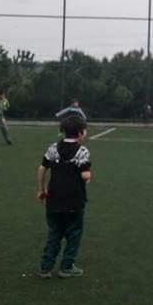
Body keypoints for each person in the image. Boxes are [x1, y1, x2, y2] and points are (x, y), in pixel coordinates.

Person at [36, 115, 92, 278]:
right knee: (74, 235)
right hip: (74, 201)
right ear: (80, 132)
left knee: (54, 233)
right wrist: (88, 176)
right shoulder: (82, 151)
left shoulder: (53, 148)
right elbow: (85, 176)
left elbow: (42, 168)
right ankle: (66, 267)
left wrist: (41, 189)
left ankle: (45, 268)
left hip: (53, 200)